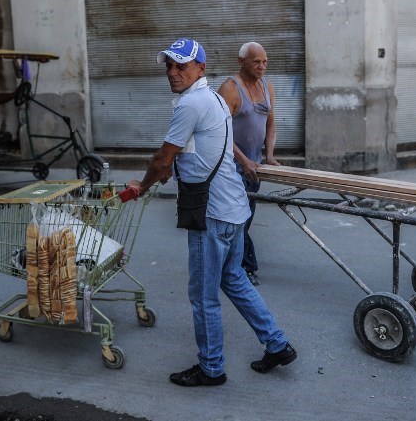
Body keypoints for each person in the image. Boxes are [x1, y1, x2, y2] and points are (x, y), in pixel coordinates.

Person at [127, 38, 296, 387]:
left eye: (181, 66)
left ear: (200, 69)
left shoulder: (190, 104)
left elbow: (163, 157)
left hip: (213, 213)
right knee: (233, 278)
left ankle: (211, 367)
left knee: (203, 296)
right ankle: (277, 344)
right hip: (234, 207)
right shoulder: (215, 99)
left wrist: (141, 186)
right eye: (169, 67)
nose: (173, 73)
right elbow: (193, 154)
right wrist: (166, 172)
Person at [217, 42, 279, 286]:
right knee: (239, 219)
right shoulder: (230, 89)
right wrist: (243, 160)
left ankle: (231, 264)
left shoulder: (267, 87)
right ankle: (245, 268)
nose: (262, 67)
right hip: (231, 168)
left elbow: (270, 124)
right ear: (241, 62)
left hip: (254, 167)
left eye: (265, 62)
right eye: (256, 62)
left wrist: (270, 156)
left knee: (246, 218)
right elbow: (219, 131)